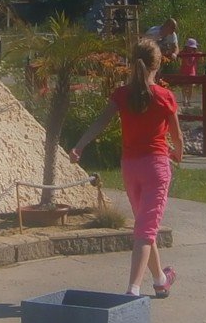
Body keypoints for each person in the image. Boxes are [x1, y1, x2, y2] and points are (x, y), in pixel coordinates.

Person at [65, 37, 183, 299]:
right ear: (158, 63)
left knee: (144, 227)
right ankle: (133, 290)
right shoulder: (165, 97)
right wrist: (178, 153)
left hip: (130, 167)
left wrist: (80, 146)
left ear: (133, 62)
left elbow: (100, 122)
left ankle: (161, 280)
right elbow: (177, 137)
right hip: (155, 167)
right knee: (145, 230)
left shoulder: (121, 94)